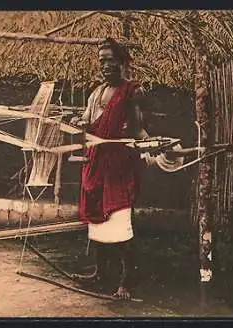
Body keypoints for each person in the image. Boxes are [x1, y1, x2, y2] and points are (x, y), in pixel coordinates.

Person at [69, 37, 150, 300]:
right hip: (96, 163)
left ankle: (126, 281)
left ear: (123, 62)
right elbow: (87, 120)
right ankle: (100, 273)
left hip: (118, 165)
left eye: (110, 60)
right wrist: (75, 121)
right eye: (101, 60)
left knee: (120, 222)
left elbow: (138, 129)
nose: (104, 65)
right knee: (97, 220)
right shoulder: (96, 92)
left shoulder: (132, 92)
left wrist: (150, 145)